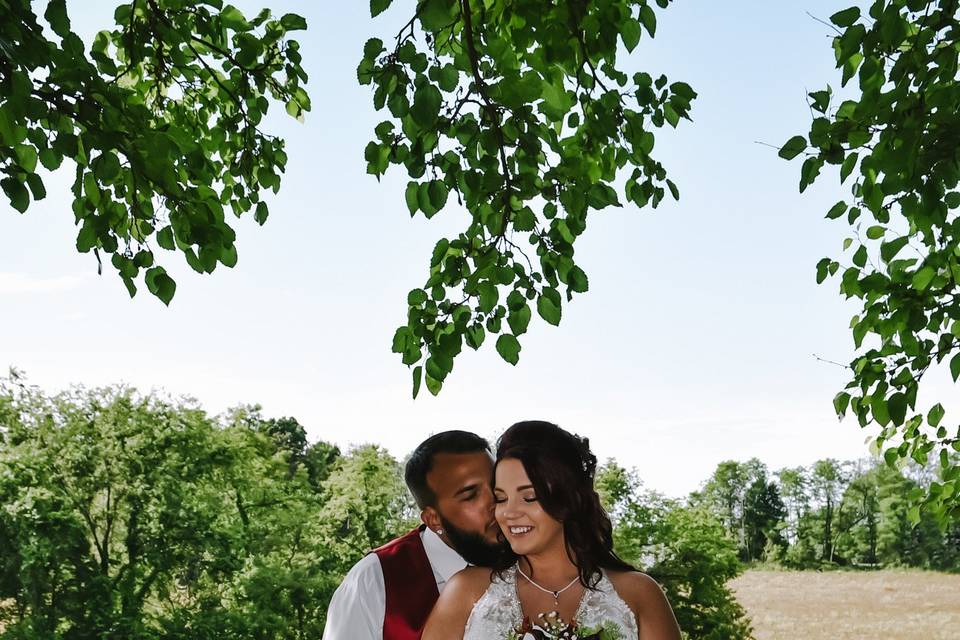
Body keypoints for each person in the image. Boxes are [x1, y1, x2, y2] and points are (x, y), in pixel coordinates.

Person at [422, 420, 682, 640]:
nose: (509, 513)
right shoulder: (467, 593)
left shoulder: (638, 594)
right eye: (501, 498)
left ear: (568, 498)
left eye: (529, 497)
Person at [322, 430, 503, 640]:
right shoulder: (372, 581)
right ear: (433, 519)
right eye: (471, 495)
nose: (495, 502)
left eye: (496, 485)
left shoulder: (529, 556)